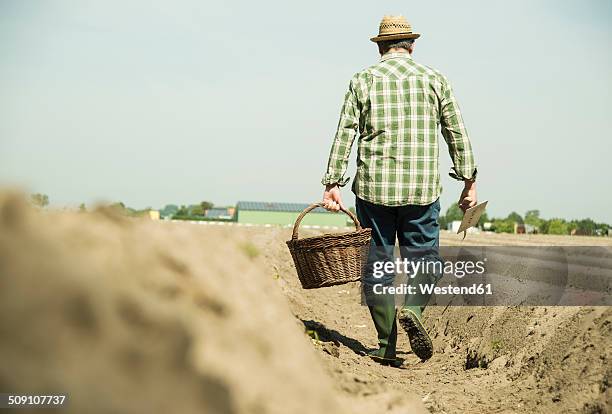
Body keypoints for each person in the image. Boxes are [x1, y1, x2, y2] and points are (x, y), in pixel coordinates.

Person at [321, 15, 477, 366]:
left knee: (377, 264)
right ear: (412, 45)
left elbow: (344, 132)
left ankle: (385, 346)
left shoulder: (362, 80)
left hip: (374, 189)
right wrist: (468, 180)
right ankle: (414, 310)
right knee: (424, 258)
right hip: (422, 189)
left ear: (379, 46)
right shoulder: (435, 79)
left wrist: (332, 182)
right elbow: (456, 132)